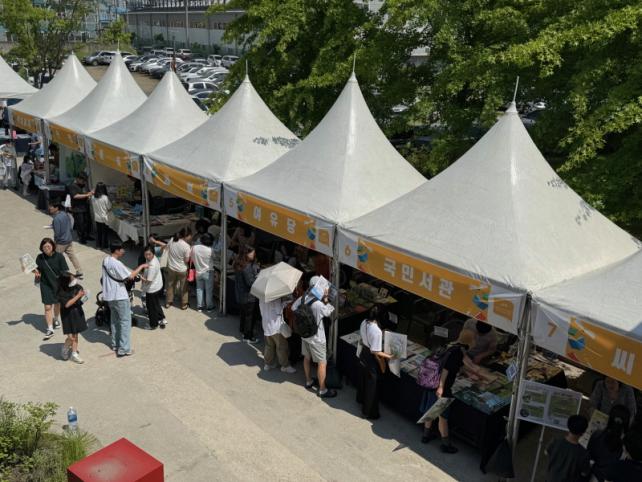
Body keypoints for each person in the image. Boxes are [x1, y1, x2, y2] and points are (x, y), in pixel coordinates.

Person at [292, 276, 337, 398]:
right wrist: (326, 298)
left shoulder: (302, 299)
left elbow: (293, 308)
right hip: (317, 338)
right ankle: (322, 389)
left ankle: (308, 381)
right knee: (322, 363)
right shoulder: (318, 304)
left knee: (307, 358)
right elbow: (329, 311)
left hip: (305, 335)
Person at [102, 241, 146, 357]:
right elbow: (130, 276)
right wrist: (141, 266)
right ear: (117, 250)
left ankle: (115, 344)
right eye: (122, 249)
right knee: (125, 322)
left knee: (114, 321)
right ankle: (124, 348)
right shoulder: (117, 264)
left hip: (110, 296)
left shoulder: (106, 260)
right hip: (120, 296)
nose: (123, 251)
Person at [357, 306, 394, 419]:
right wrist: (389, 356)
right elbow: (375, 351)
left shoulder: (364, 322)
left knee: (364, 380)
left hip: (363, 353)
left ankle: (361, 399)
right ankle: (368, 412)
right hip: (371, 359)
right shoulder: (377, 331)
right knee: (372, 386)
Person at [33, 237, 68, 339]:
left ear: (53, 246)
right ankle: (50, 328)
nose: (47, 248)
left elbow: (64, 270)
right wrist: (34, 271)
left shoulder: (59, 256)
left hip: (58, 285)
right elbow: (37, 270)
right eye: (44, 247)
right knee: (47, 307)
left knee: (57, 304)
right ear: (42, 248)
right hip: (45, 285)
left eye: (48, 246)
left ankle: (56, 318)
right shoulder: (40, 258)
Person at [588, 404, 630, 481]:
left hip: (594, 476)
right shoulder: (626, 445)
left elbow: (589, 456)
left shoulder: (597, 435)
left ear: (610, 418)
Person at [545, 414, 591, 482]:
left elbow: (546, 452)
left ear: (568, 426)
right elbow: (584, 473)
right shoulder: (583, 453)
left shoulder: (556, 441)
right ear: (583, 433)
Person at [259, 294, 296, 373]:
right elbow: (278, 311)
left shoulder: (261, 297)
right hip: (276, 326)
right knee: (281, 347)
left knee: (269, 346)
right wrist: (285, 303)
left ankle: (268, 364)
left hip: (266, 325)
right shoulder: (275, 296)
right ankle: (285, 366)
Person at [56, 272, 88, 364]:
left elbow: (80, 299)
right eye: (72, 279)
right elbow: (67, 305)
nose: (74, 280)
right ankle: (65, 348)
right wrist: (78, 296)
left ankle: (74, 354)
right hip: (67, 316)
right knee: (71, 337)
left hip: (77, 312)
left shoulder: (77, 287)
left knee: (75, 335)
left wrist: (84, 296)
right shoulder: (60, 292)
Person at [49, 203, 83, 278]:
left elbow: (57, 233)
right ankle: (79, 270)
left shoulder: (56, 219)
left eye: (51, 207)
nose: (50, 209)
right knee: (72, 256)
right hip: (69, 240)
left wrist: (55, 242)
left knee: (55, 258)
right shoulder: (65, 214)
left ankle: (57, 273)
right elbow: (70, 227)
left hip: (61, 243)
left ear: (56, 208)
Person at [234, 245, 260, 343]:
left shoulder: (238, 263)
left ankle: (242, 330)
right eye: (252, 253)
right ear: (247, 253)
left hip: (240, 294)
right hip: (249, 297)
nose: (254, 254)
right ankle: (248, 336)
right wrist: (258, 277)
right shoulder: (247, 267)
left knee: (243, 314)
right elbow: (250, 283)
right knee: (249, 317)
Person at [165, 227, 192, 310]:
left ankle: (168, 302)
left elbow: (167, 248)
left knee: (170, 285)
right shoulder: (187, 246)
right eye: (190, 235)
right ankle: (184, 304)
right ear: (186, 236)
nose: (191, 237)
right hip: (182, 269)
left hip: (171, 268)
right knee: (184, 287)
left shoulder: (172, 240)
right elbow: (186, 260)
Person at [140, 245, 166, 329]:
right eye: (146, 254)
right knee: (156, 303)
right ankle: (161, 318)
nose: (147, 256)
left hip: (152, 289)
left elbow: (148, 281)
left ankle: (153, 324)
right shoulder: (154, 258)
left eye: (149, 254)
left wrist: (141, 277)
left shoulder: (152, 265)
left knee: (151, 307)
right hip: (157, 285)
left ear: (153, 253)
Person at [191, 233, 216, 312]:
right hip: (208, 271)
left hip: (198, 271)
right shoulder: (210, 250)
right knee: (208, 290)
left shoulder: (194, 247)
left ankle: (200, 306)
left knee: (199, 289)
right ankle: (209, 306)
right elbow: (214, 257)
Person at [68, 174, 93, 244]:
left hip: (85, 207)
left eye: (85, 180)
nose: (84, 182)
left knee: (87, 222)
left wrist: (90, 193)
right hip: (77, 208)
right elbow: (75, 196)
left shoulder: (83, 185)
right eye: (82, 180)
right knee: (80, 224)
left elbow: (86, 192)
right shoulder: (72, 186)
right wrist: (86, 195)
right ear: (78, 179)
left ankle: (87, 235)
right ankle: (81, 238)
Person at [91, 182, 111, 249]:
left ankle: (98, 245)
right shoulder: (105, 197)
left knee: (99, 232)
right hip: (104, 217)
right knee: (105, 232)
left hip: (97, 217)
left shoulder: (93, 197)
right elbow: (109, 207)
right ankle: (104, 245)